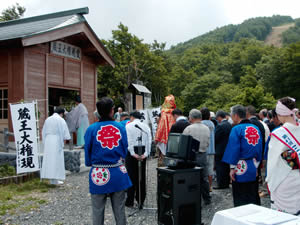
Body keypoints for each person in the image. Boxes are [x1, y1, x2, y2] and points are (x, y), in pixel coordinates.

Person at [84, 97, 132, 225]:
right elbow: (124, 149)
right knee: (120, 210)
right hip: (117, 171)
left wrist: (90, 163)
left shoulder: (91, 129)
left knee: (97, 211)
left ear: (98, 112)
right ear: (112, 111)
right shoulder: (120, 127)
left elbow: (87, 151)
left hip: (98, 173)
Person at [222, 105, 262, 207]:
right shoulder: (255, 127)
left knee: (240, 194)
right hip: (253, 164)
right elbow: (259, 148)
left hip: (240, 165)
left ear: (235, 115)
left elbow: (233, 149)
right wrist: (257, 166)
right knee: (252, 192)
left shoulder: (236, 129)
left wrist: (231, 168)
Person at [266, 97, 300, 215]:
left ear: (280, 113)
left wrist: (268, 180)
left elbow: (272, 162)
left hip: (284, 179)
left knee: (283, 216)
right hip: (297, 177)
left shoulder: (278, 133)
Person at [183, 109, 211, 205]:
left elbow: (184, 144)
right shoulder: (206, 128)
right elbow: (207, 143)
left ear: (191, 117)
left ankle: (191, 197)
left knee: (190, 177)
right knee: (204, 178)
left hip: (191, 156)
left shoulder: (188, 129)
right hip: (203, 154)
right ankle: (207, 198)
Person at [125, 111, 152, 208]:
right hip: (143, 150)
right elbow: (149, 140)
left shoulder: (129, 126)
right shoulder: (145, 126)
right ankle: (141, 200)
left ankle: (130, 200)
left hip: (133, 151)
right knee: (141, 176)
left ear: (132, 117)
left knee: (131, 176)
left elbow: (129, 140)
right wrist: (146, 153)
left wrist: (132, 153)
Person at [41, 107, 71, 185]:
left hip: (48, 140)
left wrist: (45, 141)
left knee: (49, 160)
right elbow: (66, 134)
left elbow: (43, 131)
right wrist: (65, 138)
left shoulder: (48, 119)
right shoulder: (60, 120)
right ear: (61, 113)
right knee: (56, 160)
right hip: (56, 140)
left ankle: (52, 180)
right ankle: (55, 180)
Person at [155, 95, 176, 166]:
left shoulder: (164, 113)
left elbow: (161, 127)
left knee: (163, 160)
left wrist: (157, 138)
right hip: (174, 140)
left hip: (164, 139)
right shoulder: (175, 113)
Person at [214, 110, 232, 189]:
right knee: (226, 167)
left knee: (220, 168)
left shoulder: (220, 126)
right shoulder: (229, 124)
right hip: (227, 149)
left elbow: (215, 138)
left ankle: (221, 184)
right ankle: (226, 183)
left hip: (220, 150)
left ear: (218, 117)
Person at [200, 107, 215, 192]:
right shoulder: (212, 124)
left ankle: (203, 187)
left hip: (204, 149)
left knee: (203, 169)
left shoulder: (201, 123)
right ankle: (210, 187)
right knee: (210, 169)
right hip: (212, 149)